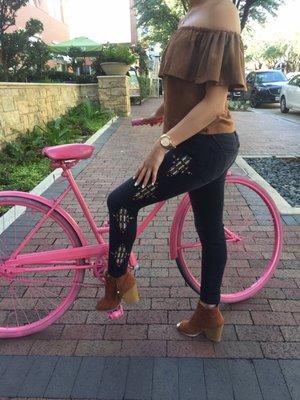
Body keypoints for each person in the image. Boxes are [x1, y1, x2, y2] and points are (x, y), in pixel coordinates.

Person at [96, 0, 247, 343]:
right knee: (209, 230)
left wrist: (161, 145)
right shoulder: (192, 11)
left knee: (121, 200)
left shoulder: (221, 9)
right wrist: (164, 110)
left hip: (207, 145)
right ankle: (209, 311)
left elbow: (214, 103)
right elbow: (189, 82)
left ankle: (118, 277)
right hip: (200, 143)